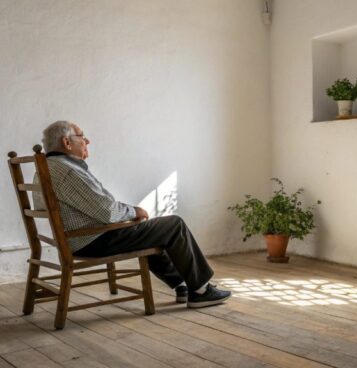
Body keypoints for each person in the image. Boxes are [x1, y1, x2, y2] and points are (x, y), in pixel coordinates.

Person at [34, 120, 230, 308]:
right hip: (92, 239)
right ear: (67, 143)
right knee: (173, 225)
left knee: (152, 230)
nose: (87, 141)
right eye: (82, 136)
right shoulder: (68, 172)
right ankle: (201, 291)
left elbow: (96, 207)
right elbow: (107, 212)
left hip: (80, 238)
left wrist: (128, 213)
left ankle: (181, 286)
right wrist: (134, 210)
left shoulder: (47, 168)